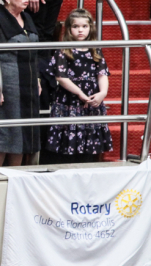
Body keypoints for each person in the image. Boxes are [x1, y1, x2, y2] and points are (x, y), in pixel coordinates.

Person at [0, 0, 40, 166]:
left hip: (28, 83)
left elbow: (34, 52)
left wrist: (37, 79)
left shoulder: (27, 17)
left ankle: (17, 175)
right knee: (5, 133)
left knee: (22, 134)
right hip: (7, 84)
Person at [44, 9, 111, 164]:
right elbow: (61, 77)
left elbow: (102, 74)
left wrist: (103, 93)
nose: (80, 30)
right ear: (69, 29)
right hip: (70, 99)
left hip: (91, 99)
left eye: (84, 26)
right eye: (76, 26)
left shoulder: (95, 49)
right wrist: (80, 93)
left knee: (89, 141)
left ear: (90, 28)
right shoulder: (63, 50)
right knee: (67, 140)